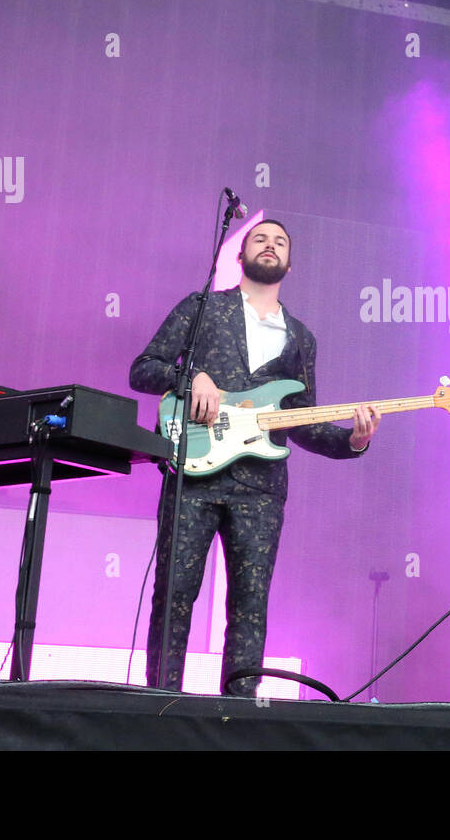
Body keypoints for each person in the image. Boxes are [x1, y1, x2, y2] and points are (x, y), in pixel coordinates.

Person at [129, 218, 380, 695]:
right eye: (260, 239)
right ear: (240, 257)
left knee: (250, 604)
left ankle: (237, 713)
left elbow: (301, 419)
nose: (270, 245)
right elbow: (143, 369)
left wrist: (353, 441)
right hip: (194, 477)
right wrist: (191, 378)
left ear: (291, 263)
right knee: (175, 593)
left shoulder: (302, 338)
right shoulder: (203, 308)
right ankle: (160, 705)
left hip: (261, 490)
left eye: (280, 242)